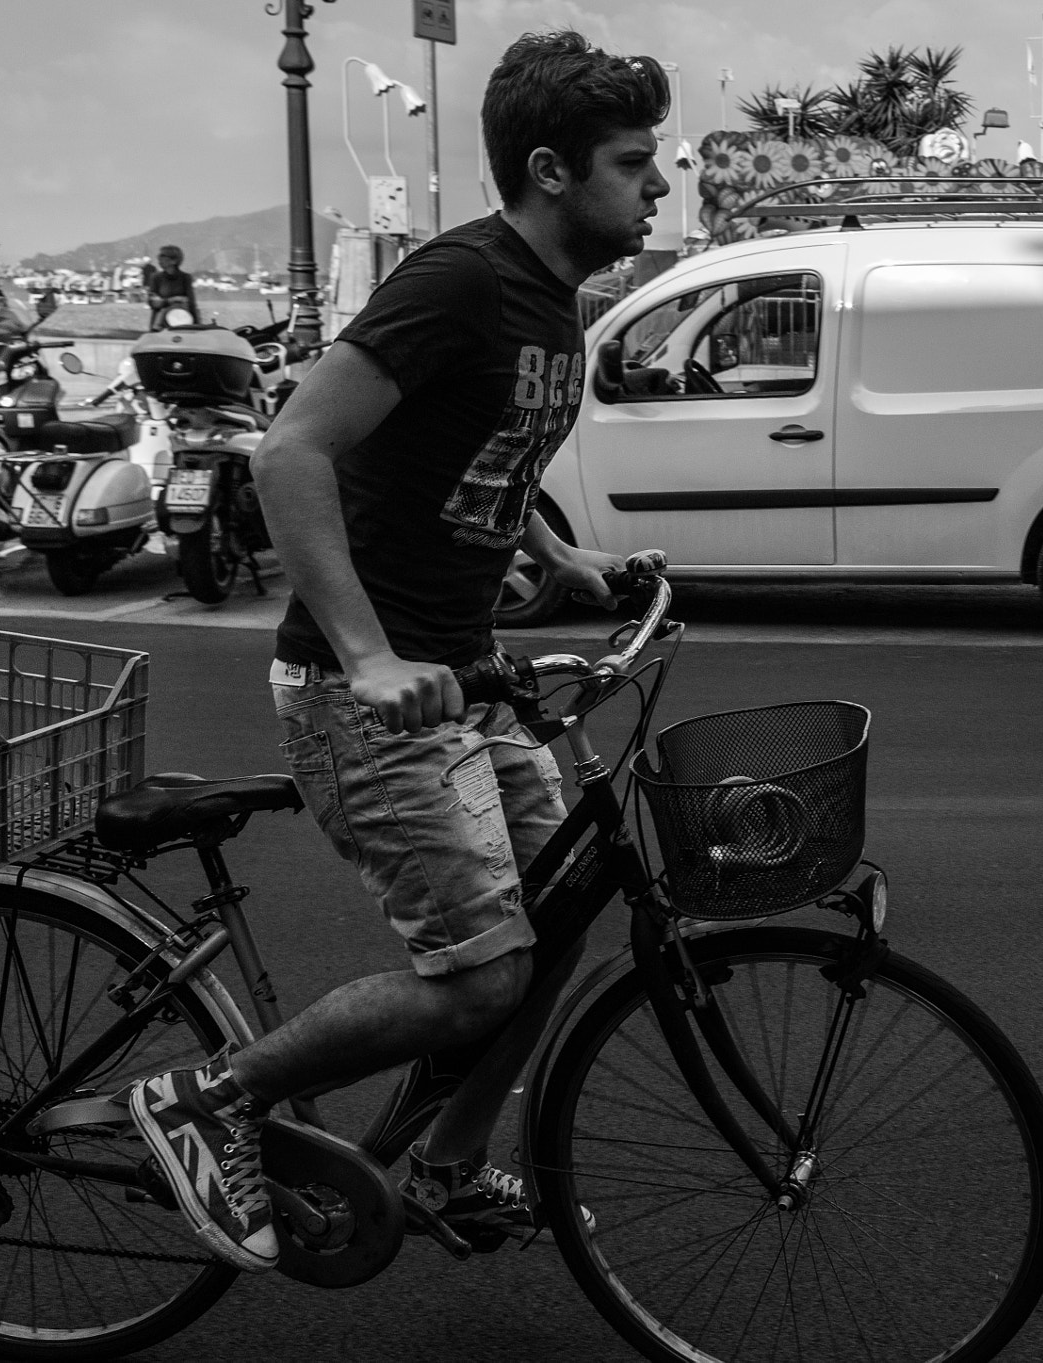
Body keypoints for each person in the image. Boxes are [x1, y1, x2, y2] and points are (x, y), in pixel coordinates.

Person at [126, 31, 671, 1274]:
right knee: (479, 978)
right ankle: (203, 1099)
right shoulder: (461, 280)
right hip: (359, 691)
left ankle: (441, 1162)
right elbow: (290, 452)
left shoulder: (547, 299)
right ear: (549, 168)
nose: (656, 189)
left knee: (567, 903)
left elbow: (476, 445)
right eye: (634, 164)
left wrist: (559, 555)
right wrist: (369, 656)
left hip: (463, 670)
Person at [145, 245, 199, 328]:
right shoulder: (156, 278)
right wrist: (172, 300)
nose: (159, 259)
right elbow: (152, 302)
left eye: (162, 256)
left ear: (174, 260)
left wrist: (196, 325)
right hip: (160, 324)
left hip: (181, 320)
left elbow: (192, 303)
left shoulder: (185, 278)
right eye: (159, 256)